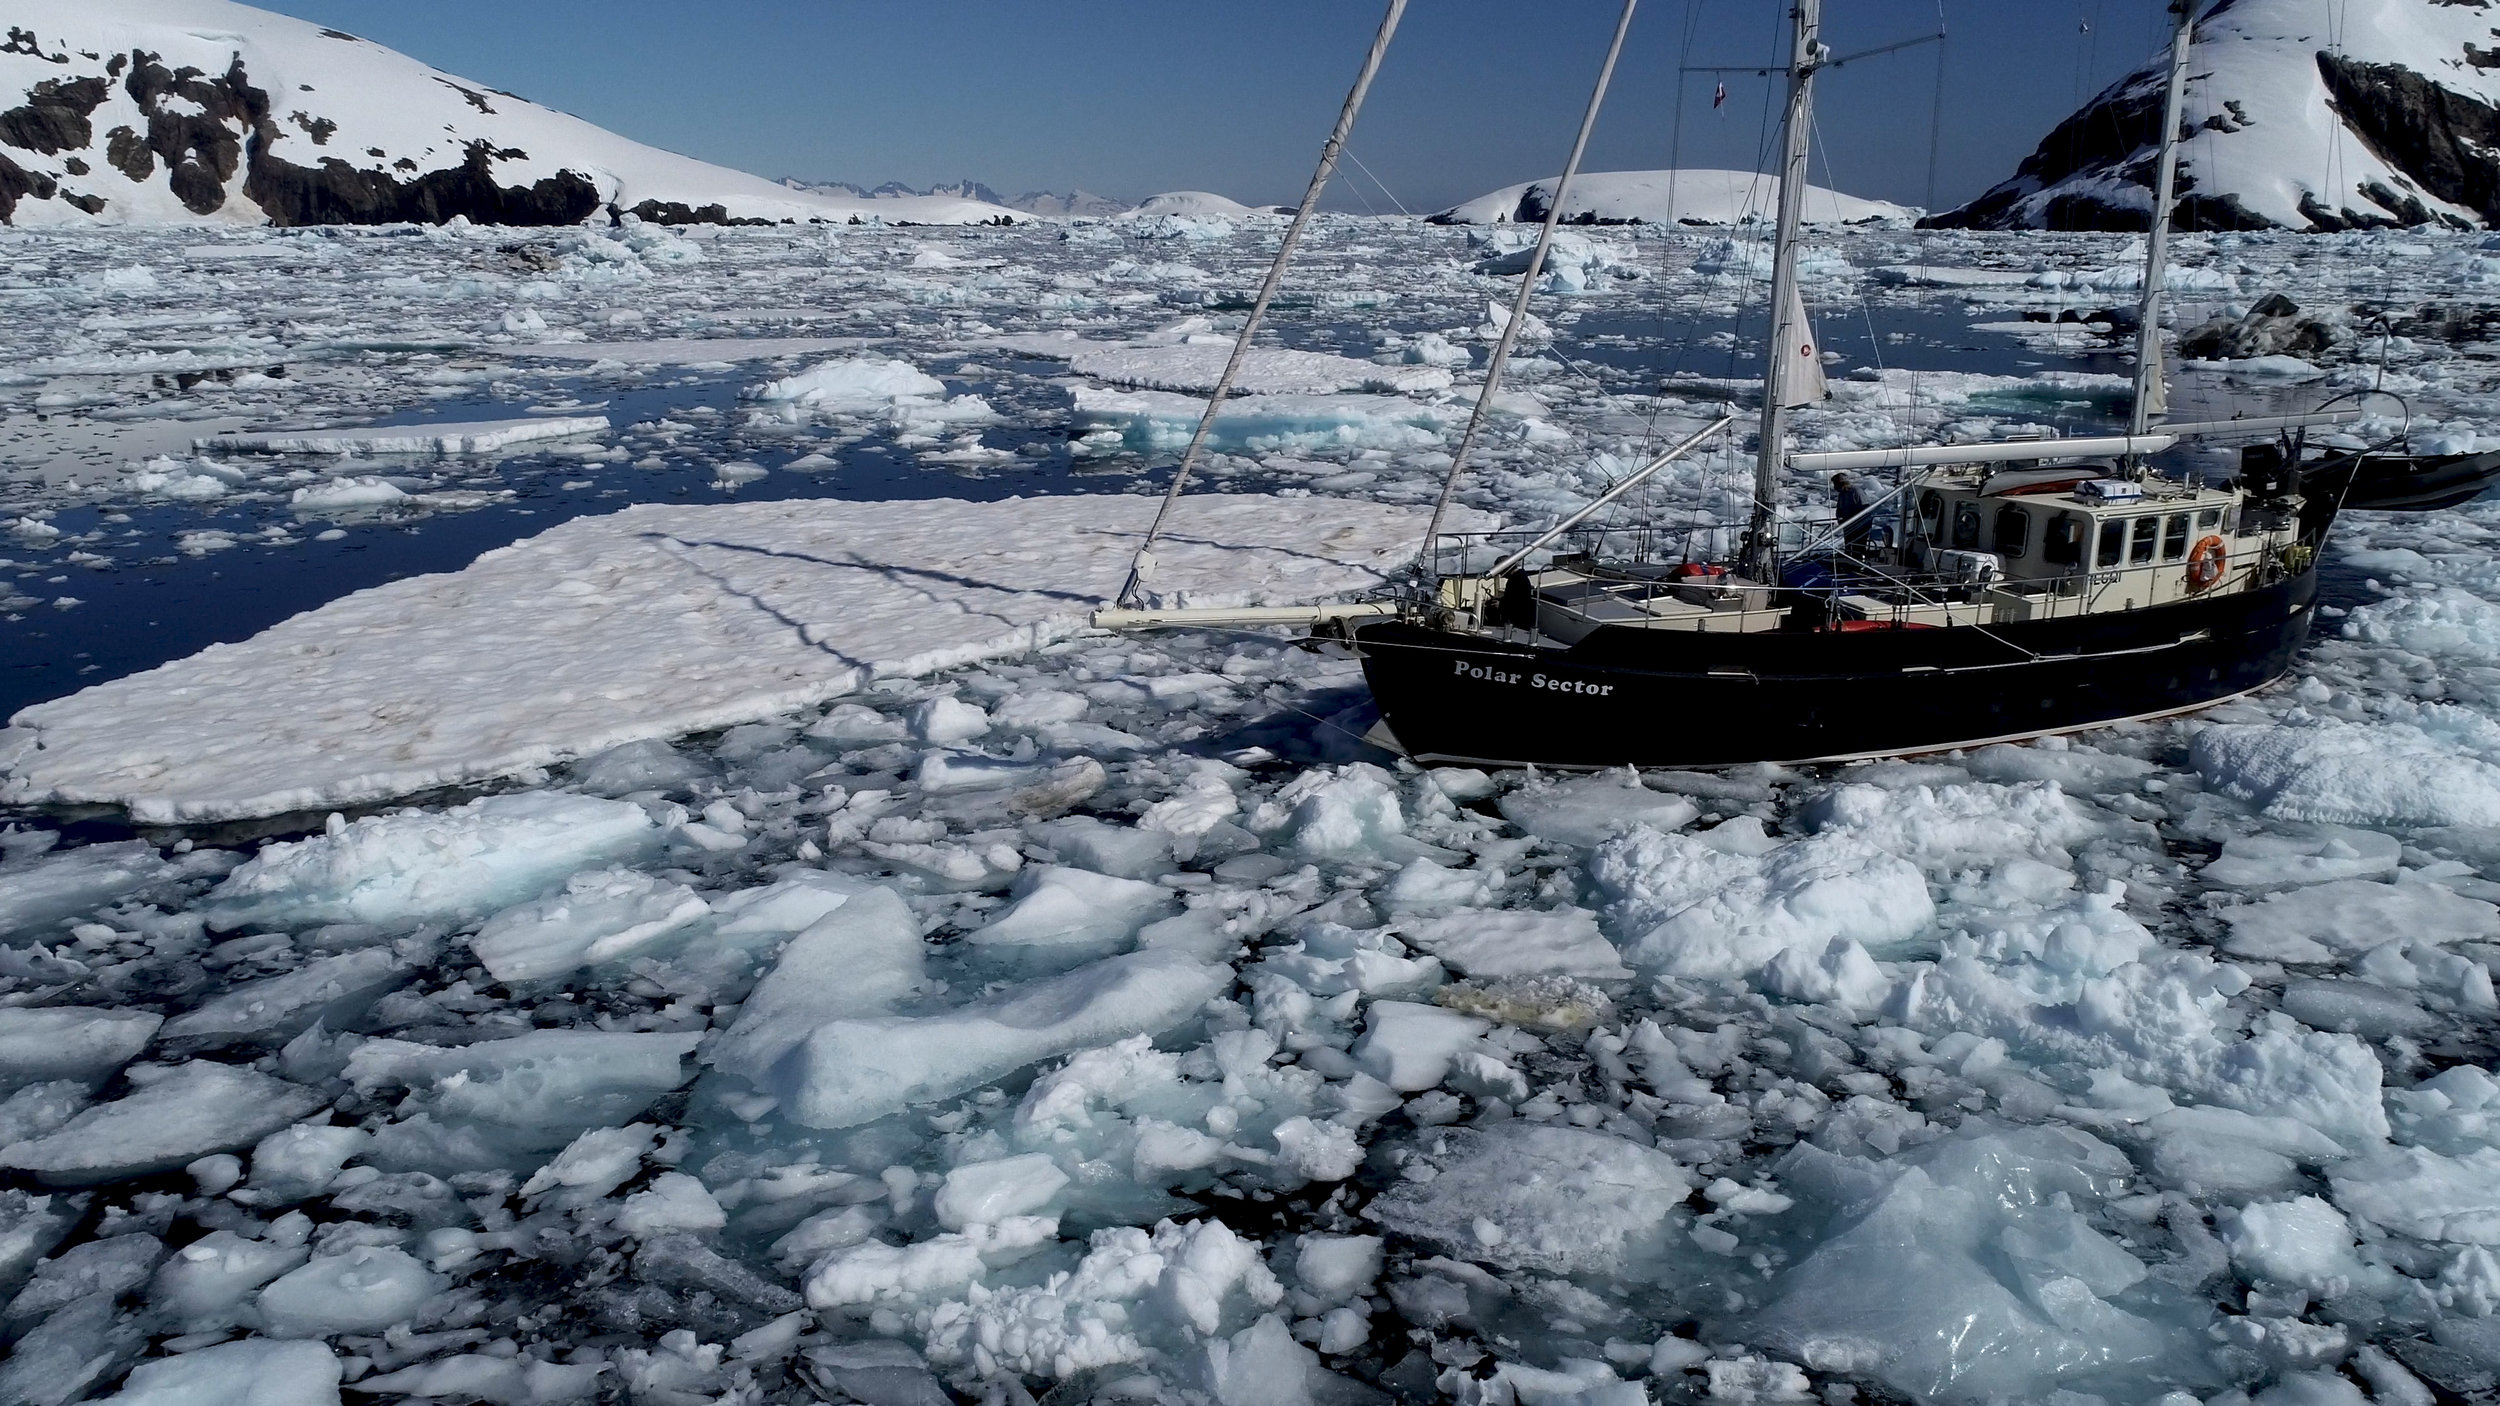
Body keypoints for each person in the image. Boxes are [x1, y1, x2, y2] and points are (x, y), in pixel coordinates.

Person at [1832, 471, 1872, 551]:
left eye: (1836, 484)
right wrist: (1840, 518)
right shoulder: (1842, 494)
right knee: (1849, 546)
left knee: (1858, 547)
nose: (1834, 487)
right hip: (1848, 525)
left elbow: (1865, 508)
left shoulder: (1856, 492)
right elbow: (1839, 509)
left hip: (1860, 525)